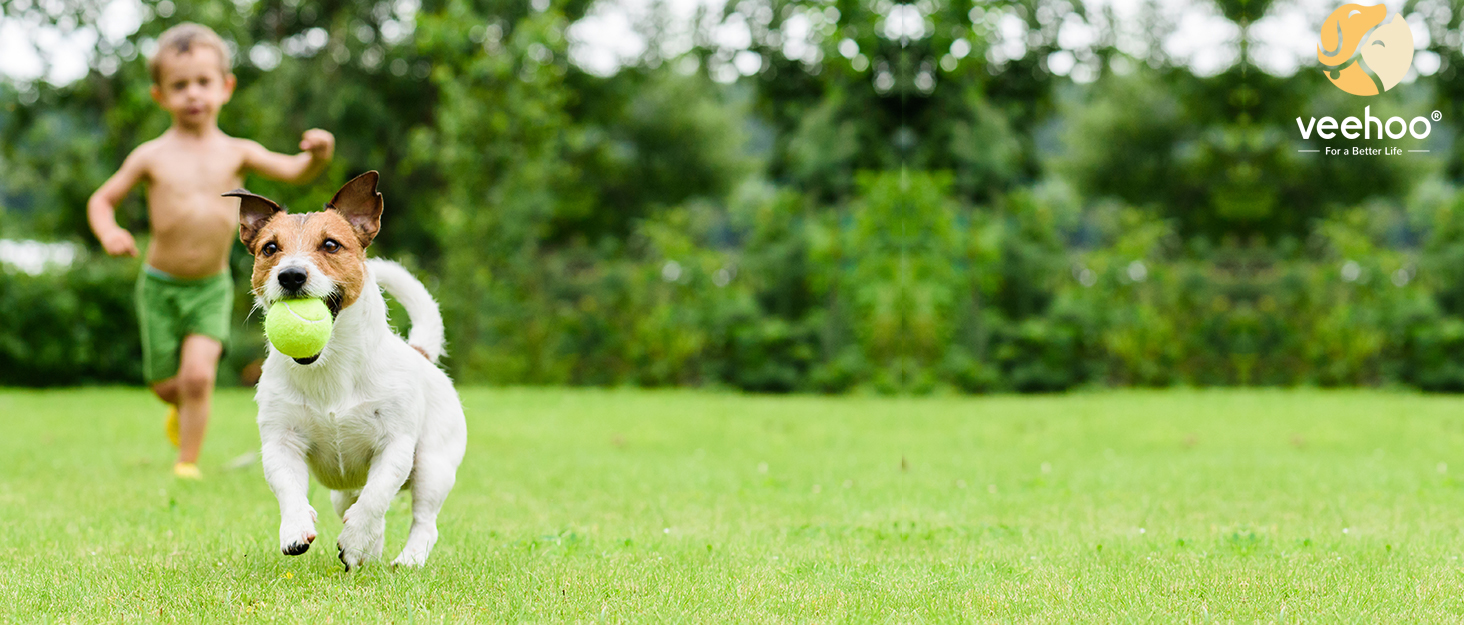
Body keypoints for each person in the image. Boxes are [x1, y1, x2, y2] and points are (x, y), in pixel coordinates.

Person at [87, 23, 335, 479]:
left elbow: (295, 170)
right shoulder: (151, 155)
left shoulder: (236, 151)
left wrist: (318, 155)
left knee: (198, 377)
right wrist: (110, 232)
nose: (192, 94)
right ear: (160, 95)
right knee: (168, 385)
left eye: (203, 82)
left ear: (226, 87)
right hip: (159, 285)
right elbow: (101, 200)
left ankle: (187, 463)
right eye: (179, 85)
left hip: (211, 287)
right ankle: (175, 405)